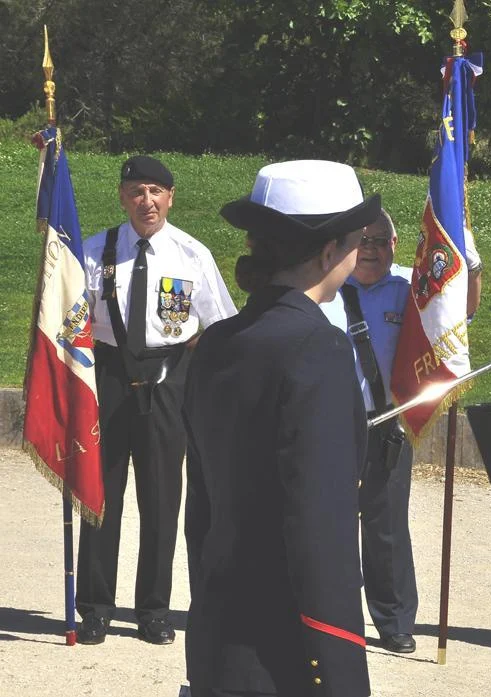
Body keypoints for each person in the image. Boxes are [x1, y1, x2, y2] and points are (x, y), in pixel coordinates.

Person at [182, 160, 378, 696]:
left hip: (218, 637)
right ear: (327, 250)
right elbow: (322, 533)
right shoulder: (319, 349)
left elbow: (201, 511)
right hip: (287, 654)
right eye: (358, 239)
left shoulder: (217, 343)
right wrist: (339, 674)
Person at [76, 155, 236, 646]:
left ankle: (153, 609)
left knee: (162, 499)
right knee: (99, 496)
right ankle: (96, 607)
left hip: (169, 380)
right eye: (136, 192)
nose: (147, 201)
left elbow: (222, 327)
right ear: (122, 198)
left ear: (170, 197)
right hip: (107, 377)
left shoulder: (191, 255)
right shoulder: (93, 252)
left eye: (156, 191)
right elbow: (70, 323)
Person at [318, 209, 419, 654]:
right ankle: (331, 614)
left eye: (380, 240)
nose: (371, 250)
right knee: (328, 520)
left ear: (395, 245)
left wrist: (470, 265)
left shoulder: (411, 290)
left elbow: (459, 317)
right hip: (331, 422)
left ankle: (393, 619)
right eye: (363, 241)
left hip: (386, 422)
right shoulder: (327, 289)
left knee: (386, 525)